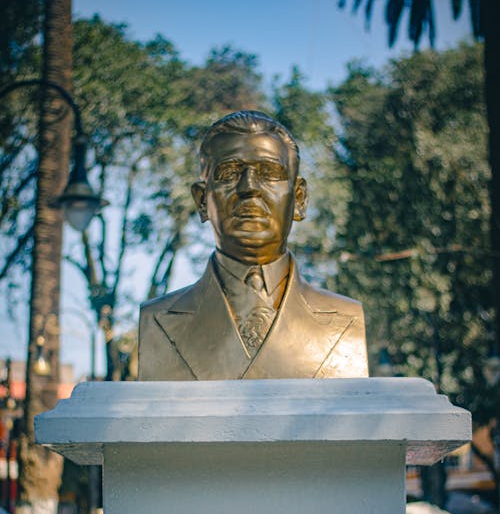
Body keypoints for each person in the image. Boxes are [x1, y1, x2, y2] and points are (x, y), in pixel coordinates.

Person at [138, 111, 368, 380]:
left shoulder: (346, 316)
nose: (249, 187)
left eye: (269, 173)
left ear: (299, 199)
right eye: (230, 173)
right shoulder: (156, 318)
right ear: (202, 201)